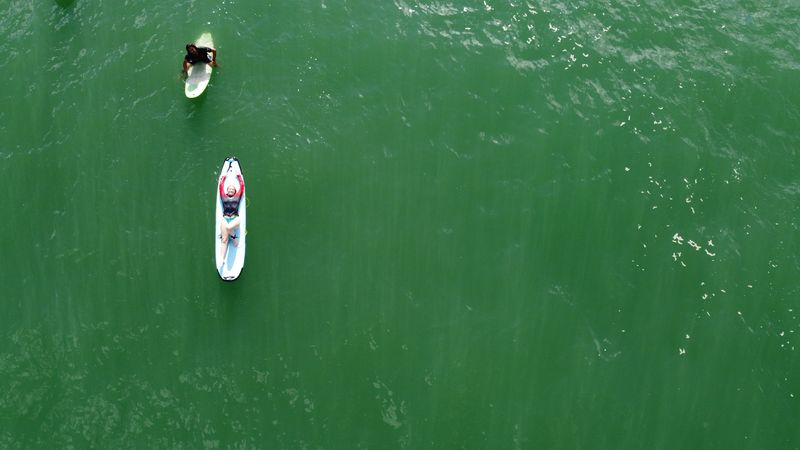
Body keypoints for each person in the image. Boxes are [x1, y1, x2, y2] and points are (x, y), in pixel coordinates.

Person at [218, 173, 244, 263]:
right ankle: (221, 259)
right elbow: (220, 186)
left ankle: (234, 238)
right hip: (225, 218)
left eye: (233, 189)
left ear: (235, 191)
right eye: (229, 189)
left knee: (229, 227)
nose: (231, 190)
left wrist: (239, 176)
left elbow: (242, 186)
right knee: (224, 240)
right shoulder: (223, 196)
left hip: (235, 219)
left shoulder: (237, 196)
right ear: (227, 190)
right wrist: (223, 177)